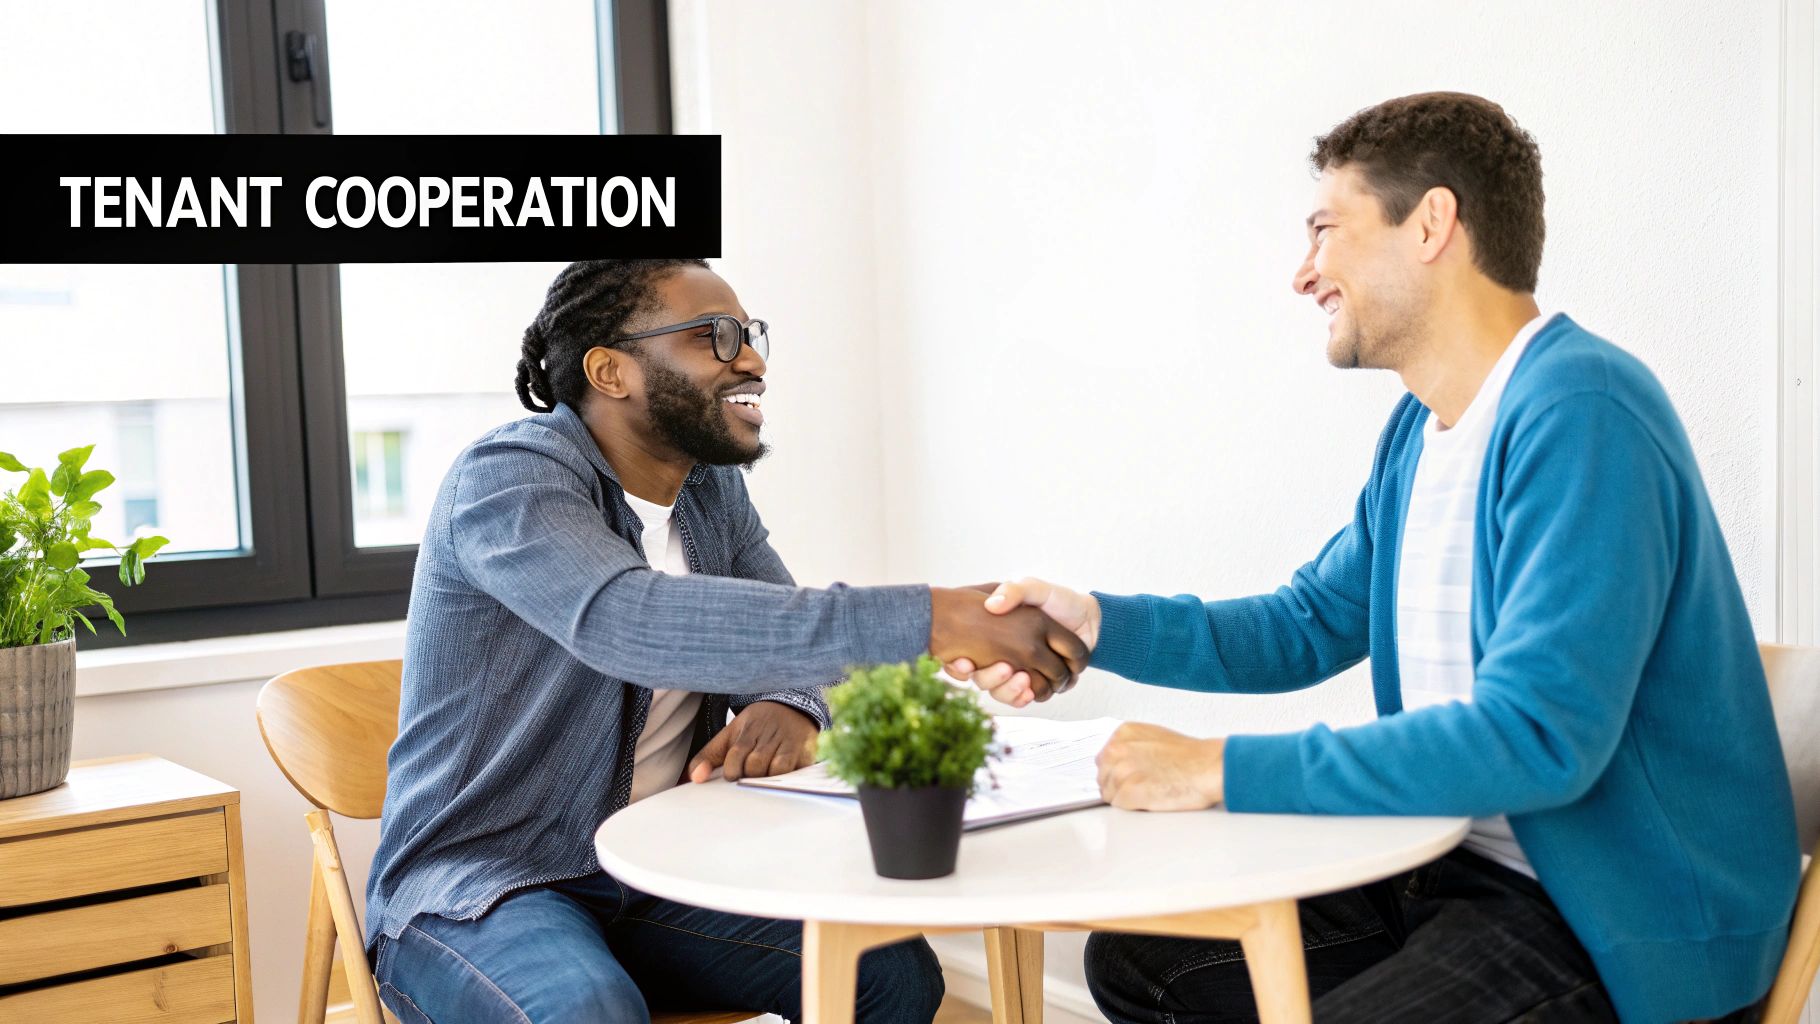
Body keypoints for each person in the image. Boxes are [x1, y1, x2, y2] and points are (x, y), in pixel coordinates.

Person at [950, 93, 1798, 1023]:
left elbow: (1539, 738)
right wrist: (1097, 624)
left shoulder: (1581, 411)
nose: (1304, 272)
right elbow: (1303, 625)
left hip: (1610, 918)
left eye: (1325, 229)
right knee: (1147, 963)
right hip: (1444, 867)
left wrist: (1216, 769)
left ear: (1432, 223)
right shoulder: (1420, 432)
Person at [365, 258, 1088, 1024]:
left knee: (887, 972)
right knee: (587, 1012)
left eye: (749, 335)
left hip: (653, 873)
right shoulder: (510, 479)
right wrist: (930, 617)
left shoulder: (709, 492)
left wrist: (795, 704)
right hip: (486, 883)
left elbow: (793, 634)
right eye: (716, 335)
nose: (752, 360)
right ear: (611, 370)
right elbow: (628, 623)